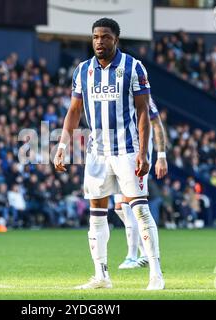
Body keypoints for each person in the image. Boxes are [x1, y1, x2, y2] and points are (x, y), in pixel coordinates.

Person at [54, 18, 164, 290]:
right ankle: (101, 275)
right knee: (96, 213)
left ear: (116, 39)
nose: (99, 42)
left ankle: (156, 274)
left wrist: (143, 151)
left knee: (139, 209)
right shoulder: (82, 71)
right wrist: (62, 145)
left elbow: (143, 112)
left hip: (127, 150)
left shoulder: (133, 67)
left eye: (105, 37)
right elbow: (74, 111)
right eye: (95, 37)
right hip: (96, 154)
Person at [113, 97, 168, 269]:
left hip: (136, 157)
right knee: (119, 207)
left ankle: (133, 255)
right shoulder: (116, 95)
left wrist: (161, 156)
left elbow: (157, 125)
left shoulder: (144, 98)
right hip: (115, 156)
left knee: (130, 205)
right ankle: (142, 252)